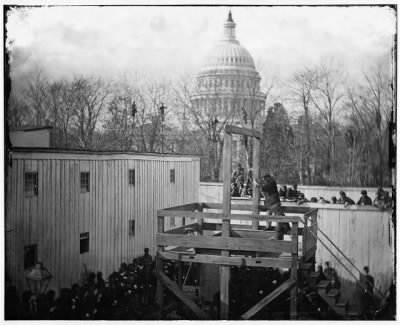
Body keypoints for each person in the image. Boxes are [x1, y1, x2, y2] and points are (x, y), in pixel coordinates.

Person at [260, 174, 290, 239]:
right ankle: (270, 227)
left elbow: (265, 188)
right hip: (271, 204)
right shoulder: (269, 183)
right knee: (273, 215)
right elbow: (264, 189)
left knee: (279, 215)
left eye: (264, 180)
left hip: (274, 203)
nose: (264, 181)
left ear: (267, 179)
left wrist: (259, 184)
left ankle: (287, 228)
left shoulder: (272, 183)